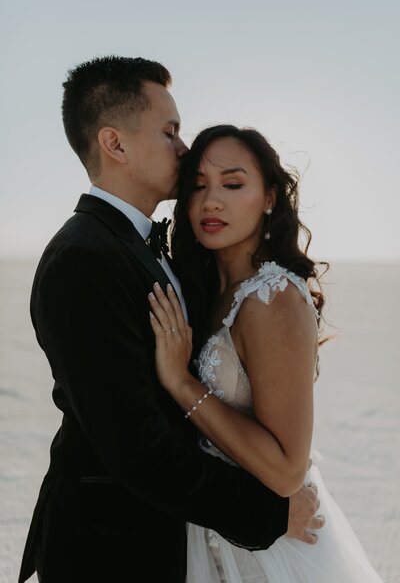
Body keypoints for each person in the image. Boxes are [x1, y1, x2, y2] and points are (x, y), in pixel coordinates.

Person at [18, 58, 323, 583]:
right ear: (115, 145)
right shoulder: (84, 259)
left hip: (173, 540)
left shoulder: (149, 251)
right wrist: (269, 515)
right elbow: (136, 449)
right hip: (110, 549)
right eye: (170, 131)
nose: (183, 150)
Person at [148, 125, 384, 582]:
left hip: (269, 549)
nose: (211, 202)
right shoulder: (207, 290)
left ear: (270, 196)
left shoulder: (271, 299)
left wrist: (182, 384)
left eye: (233, 184)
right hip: (212, 526)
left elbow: (286, 472)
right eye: (198, 186)